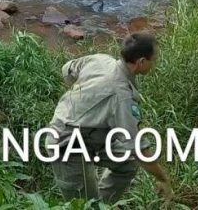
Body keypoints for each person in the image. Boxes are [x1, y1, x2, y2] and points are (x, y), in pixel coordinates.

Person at [46, 32, 173, 204]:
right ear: (141, 62)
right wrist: (163, 178)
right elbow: (138, 148)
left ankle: (103, 204)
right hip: (66, 144)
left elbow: (67, 70)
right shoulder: (122, 97)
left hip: (90, 134)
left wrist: (83, 100)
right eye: (154, 60)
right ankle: (93, 205)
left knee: (127, 163)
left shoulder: (100, 60)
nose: (155, 63)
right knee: (83, 207)